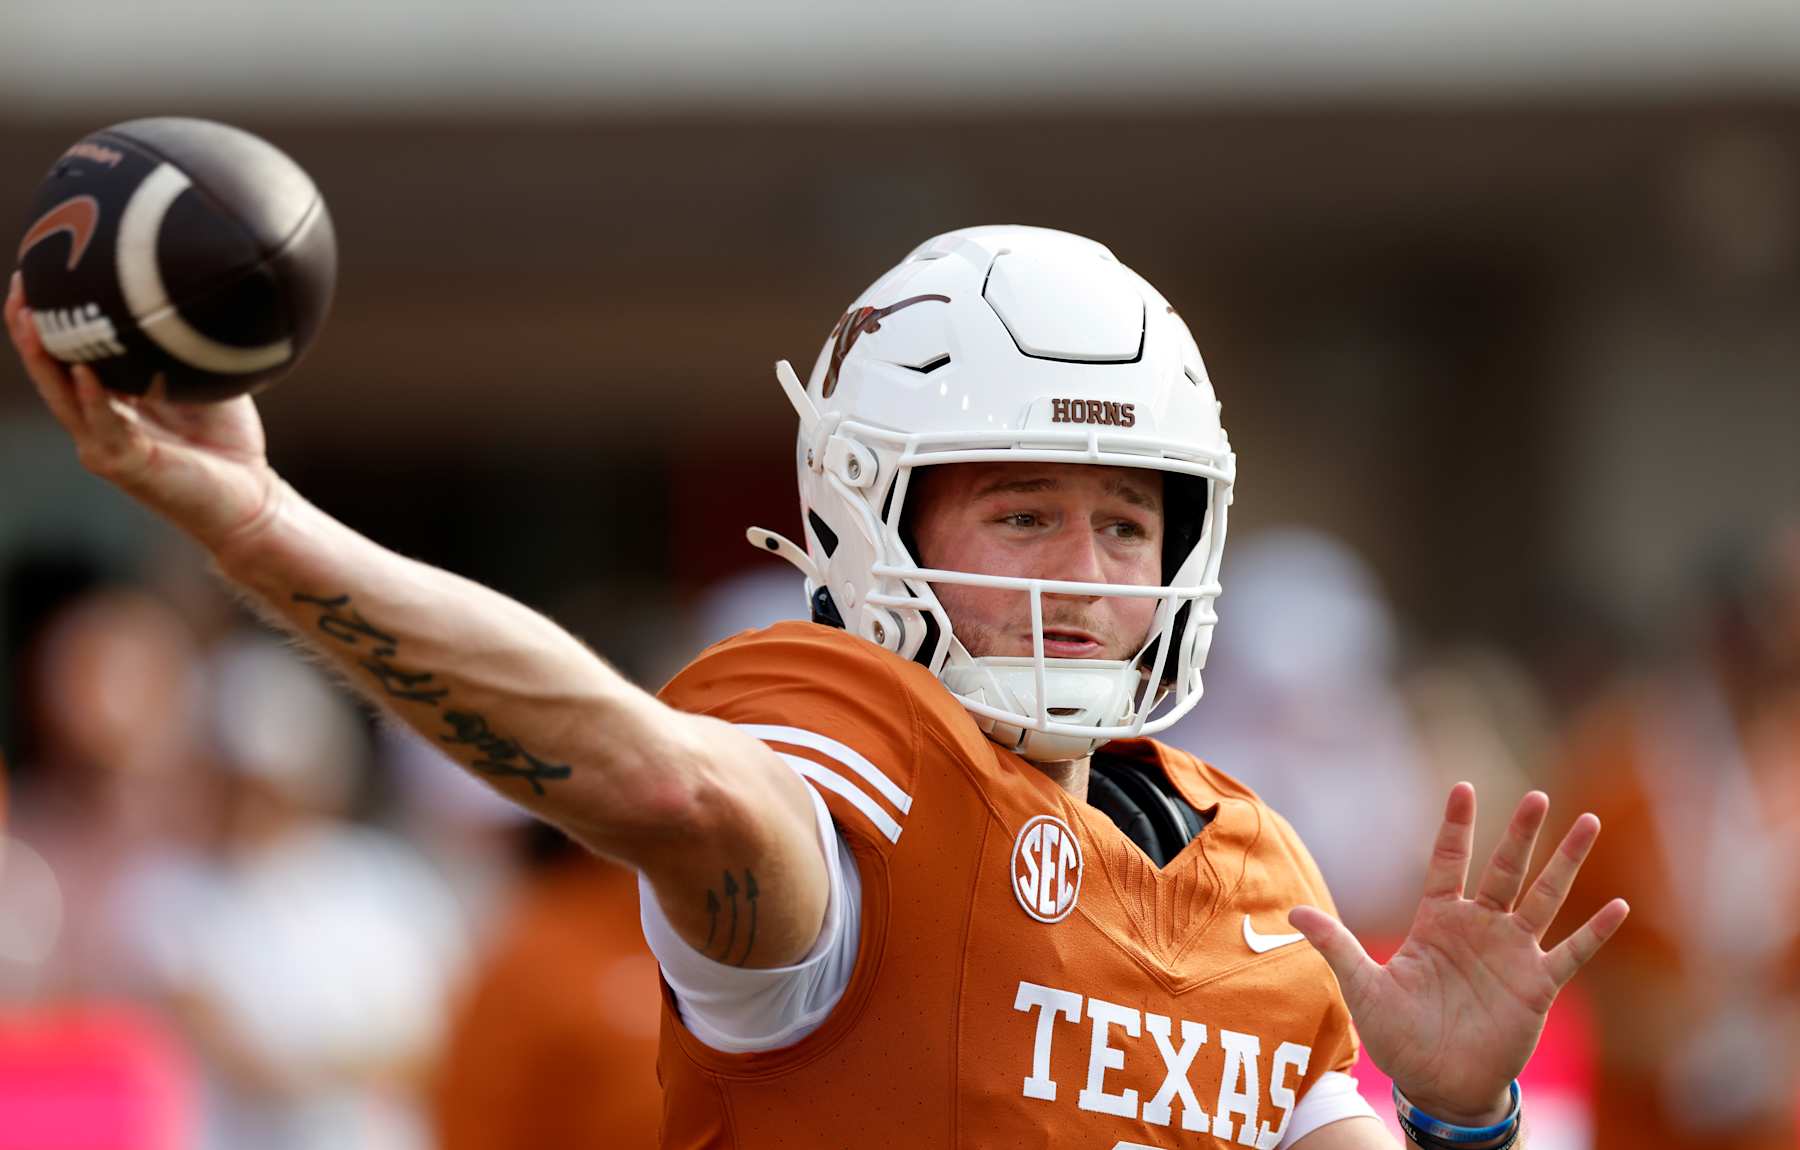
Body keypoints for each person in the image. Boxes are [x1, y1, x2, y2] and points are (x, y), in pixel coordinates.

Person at [6, 225, 1628, 1149]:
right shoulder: (835, 779)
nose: (1084, 569)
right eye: (1021, 510)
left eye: (1125, 518)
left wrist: (1461, 1114)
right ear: (875, 514)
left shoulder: (1250, 868)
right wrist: (263, 528)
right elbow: (660, 777)